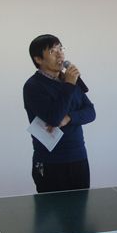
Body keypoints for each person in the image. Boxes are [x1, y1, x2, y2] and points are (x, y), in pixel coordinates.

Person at [23, 34, 96, 193]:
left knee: (80, 206)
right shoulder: (33, 86)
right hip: (50, 161)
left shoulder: (70, 80)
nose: (60, 54)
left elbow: (91, 112)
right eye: (52, 51)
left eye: (60, 49)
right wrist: (69, 86)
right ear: (38, 59)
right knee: (51, 207)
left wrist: (70, 118)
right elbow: (54, 118)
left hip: (78, 157)